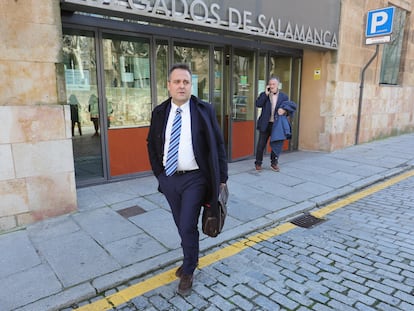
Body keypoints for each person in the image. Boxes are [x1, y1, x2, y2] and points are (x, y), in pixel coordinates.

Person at [147, 63, 228, 296]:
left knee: (186, 224)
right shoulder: (160, 112)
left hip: (196, 178)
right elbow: (151, 144)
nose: (181, 86)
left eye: (186, 82)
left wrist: (222, 176)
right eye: (177, 82)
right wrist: (159, 175)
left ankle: (189, 269)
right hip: (170, 178)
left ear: (191, 85)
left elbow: (218, 144)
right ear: (169, 85)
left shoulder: (204, 110)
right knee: (181, 225)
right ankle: (190, 259)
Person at [255, 76, 289, 172]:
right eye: (270, 84)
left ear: (278, 85)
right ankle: (258, 163)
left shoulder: (284, 96)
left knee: (276, 145)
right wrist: (265, 94)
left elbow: (288, 109)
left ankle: (274, 163)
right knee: (261, 145)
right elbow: (258, 104)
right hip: (265, 124)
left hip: (276, 125)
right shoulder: (264, 95)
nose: (271, 86)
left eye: (273, 84)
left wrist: (285, 111)